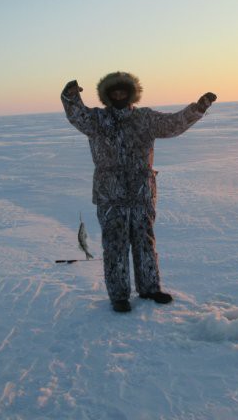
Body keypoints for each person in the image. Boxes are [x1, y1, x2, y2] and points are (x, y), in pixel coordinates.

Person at [60, 72, 216, 313]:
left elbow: (173, 124)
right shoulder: (98, 120)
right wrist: (70, 97)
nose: (119, 95)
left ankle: (150, 288)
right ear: (107, 96)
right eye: (114, 92)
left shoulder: (145, 118)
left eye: (123, 91)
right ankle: (119, 295)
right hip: (110, 193)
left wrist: (198, 108)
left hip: (142, 191)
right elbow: (77, 116)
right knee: (115, 244)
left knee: (145, 241)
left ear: (132, 94)